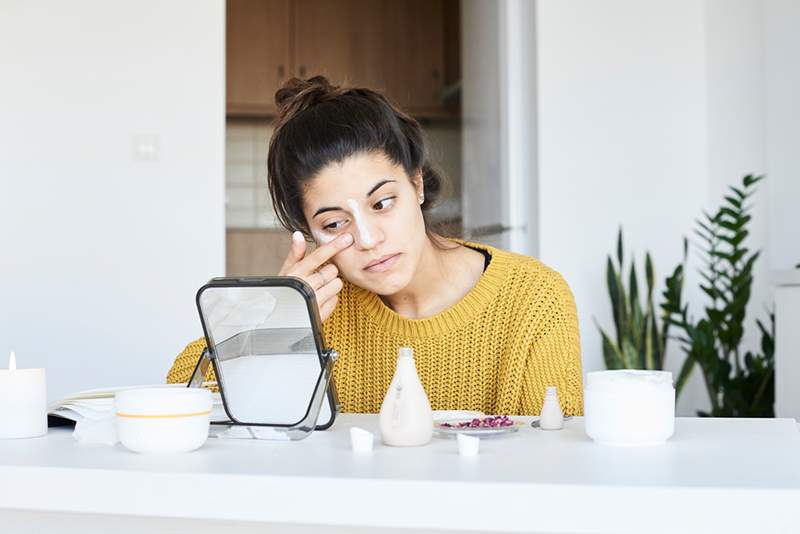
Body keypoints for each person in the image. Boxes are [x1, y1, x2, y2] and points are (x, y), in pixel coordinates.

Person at [167, 76, 583, 416]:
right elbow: (178, 397)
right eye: (334, 223)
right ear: (310, 234)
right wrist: (278, 317)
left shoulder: (534, 298)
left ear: (416, 184)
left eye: (382, 203)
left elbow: (556, 466)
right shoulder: (314, 312)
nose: (368, 240)